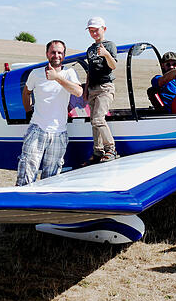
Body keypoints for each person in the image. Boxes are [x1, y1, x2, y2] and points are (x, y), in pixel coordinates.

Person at [16, 40, 82, 186]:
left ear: (64, 55)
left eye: (60, 52)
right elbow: (26, 92)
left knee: (51, 179)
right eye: (53, 52)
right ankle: (22, 203)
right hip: (37, 129)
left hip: (60, 133)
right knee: (26, 174)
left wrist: (57, 77)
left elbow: (78, 92)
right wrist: (28, 112)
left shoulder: (69, 73)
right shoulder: (36, 73)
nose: (56, 55)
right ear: (47, 54)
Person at [84, 17, 119, 163]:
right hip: (92, 88)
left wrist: (106, 54)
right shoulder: (90, 49)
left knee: (99, 118)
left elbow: (113, 66)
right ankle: (98, 152)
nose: (94, 33)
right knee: (94, 121)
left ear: (104, 29)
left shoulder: (110, 45)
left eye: (96, 30)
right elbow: (89, 71)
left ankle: (111, 149)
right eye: (91, 31)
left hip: (105, 87)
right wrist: (86, 89)